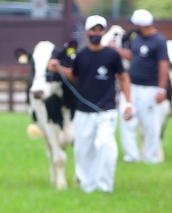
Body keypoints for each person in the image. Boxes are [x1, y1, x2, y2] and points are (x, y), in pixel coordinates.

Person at [48, 15, 132, 193]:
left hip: (106, 110)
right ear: (87, 32)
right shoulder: (81, 55)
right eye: (93, 30)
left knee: (105, 145)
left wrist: (128, 103)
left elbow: (124, 77)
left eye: (100, 29)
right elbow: (75, 75)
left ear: (103, 31)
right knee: (82, 149)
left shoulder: (112, 55)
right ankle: (87, 185)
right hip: (84, 111)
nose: (96, 33)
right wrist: (59, 68)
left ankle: (104, 186)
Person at [116, 9, 169, 164]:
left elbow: (163, 65)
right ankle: (131, 155)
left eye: (136, 24)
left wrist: (161, 89)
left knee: (151, 124)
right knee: (127, 119)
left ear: (141, 25)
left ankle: (151, 157)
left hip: (150, 88)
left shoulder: (159, 41)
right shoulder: (137, 38)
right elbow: (134, 56)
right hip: (132, 86)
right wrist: (117, 50)